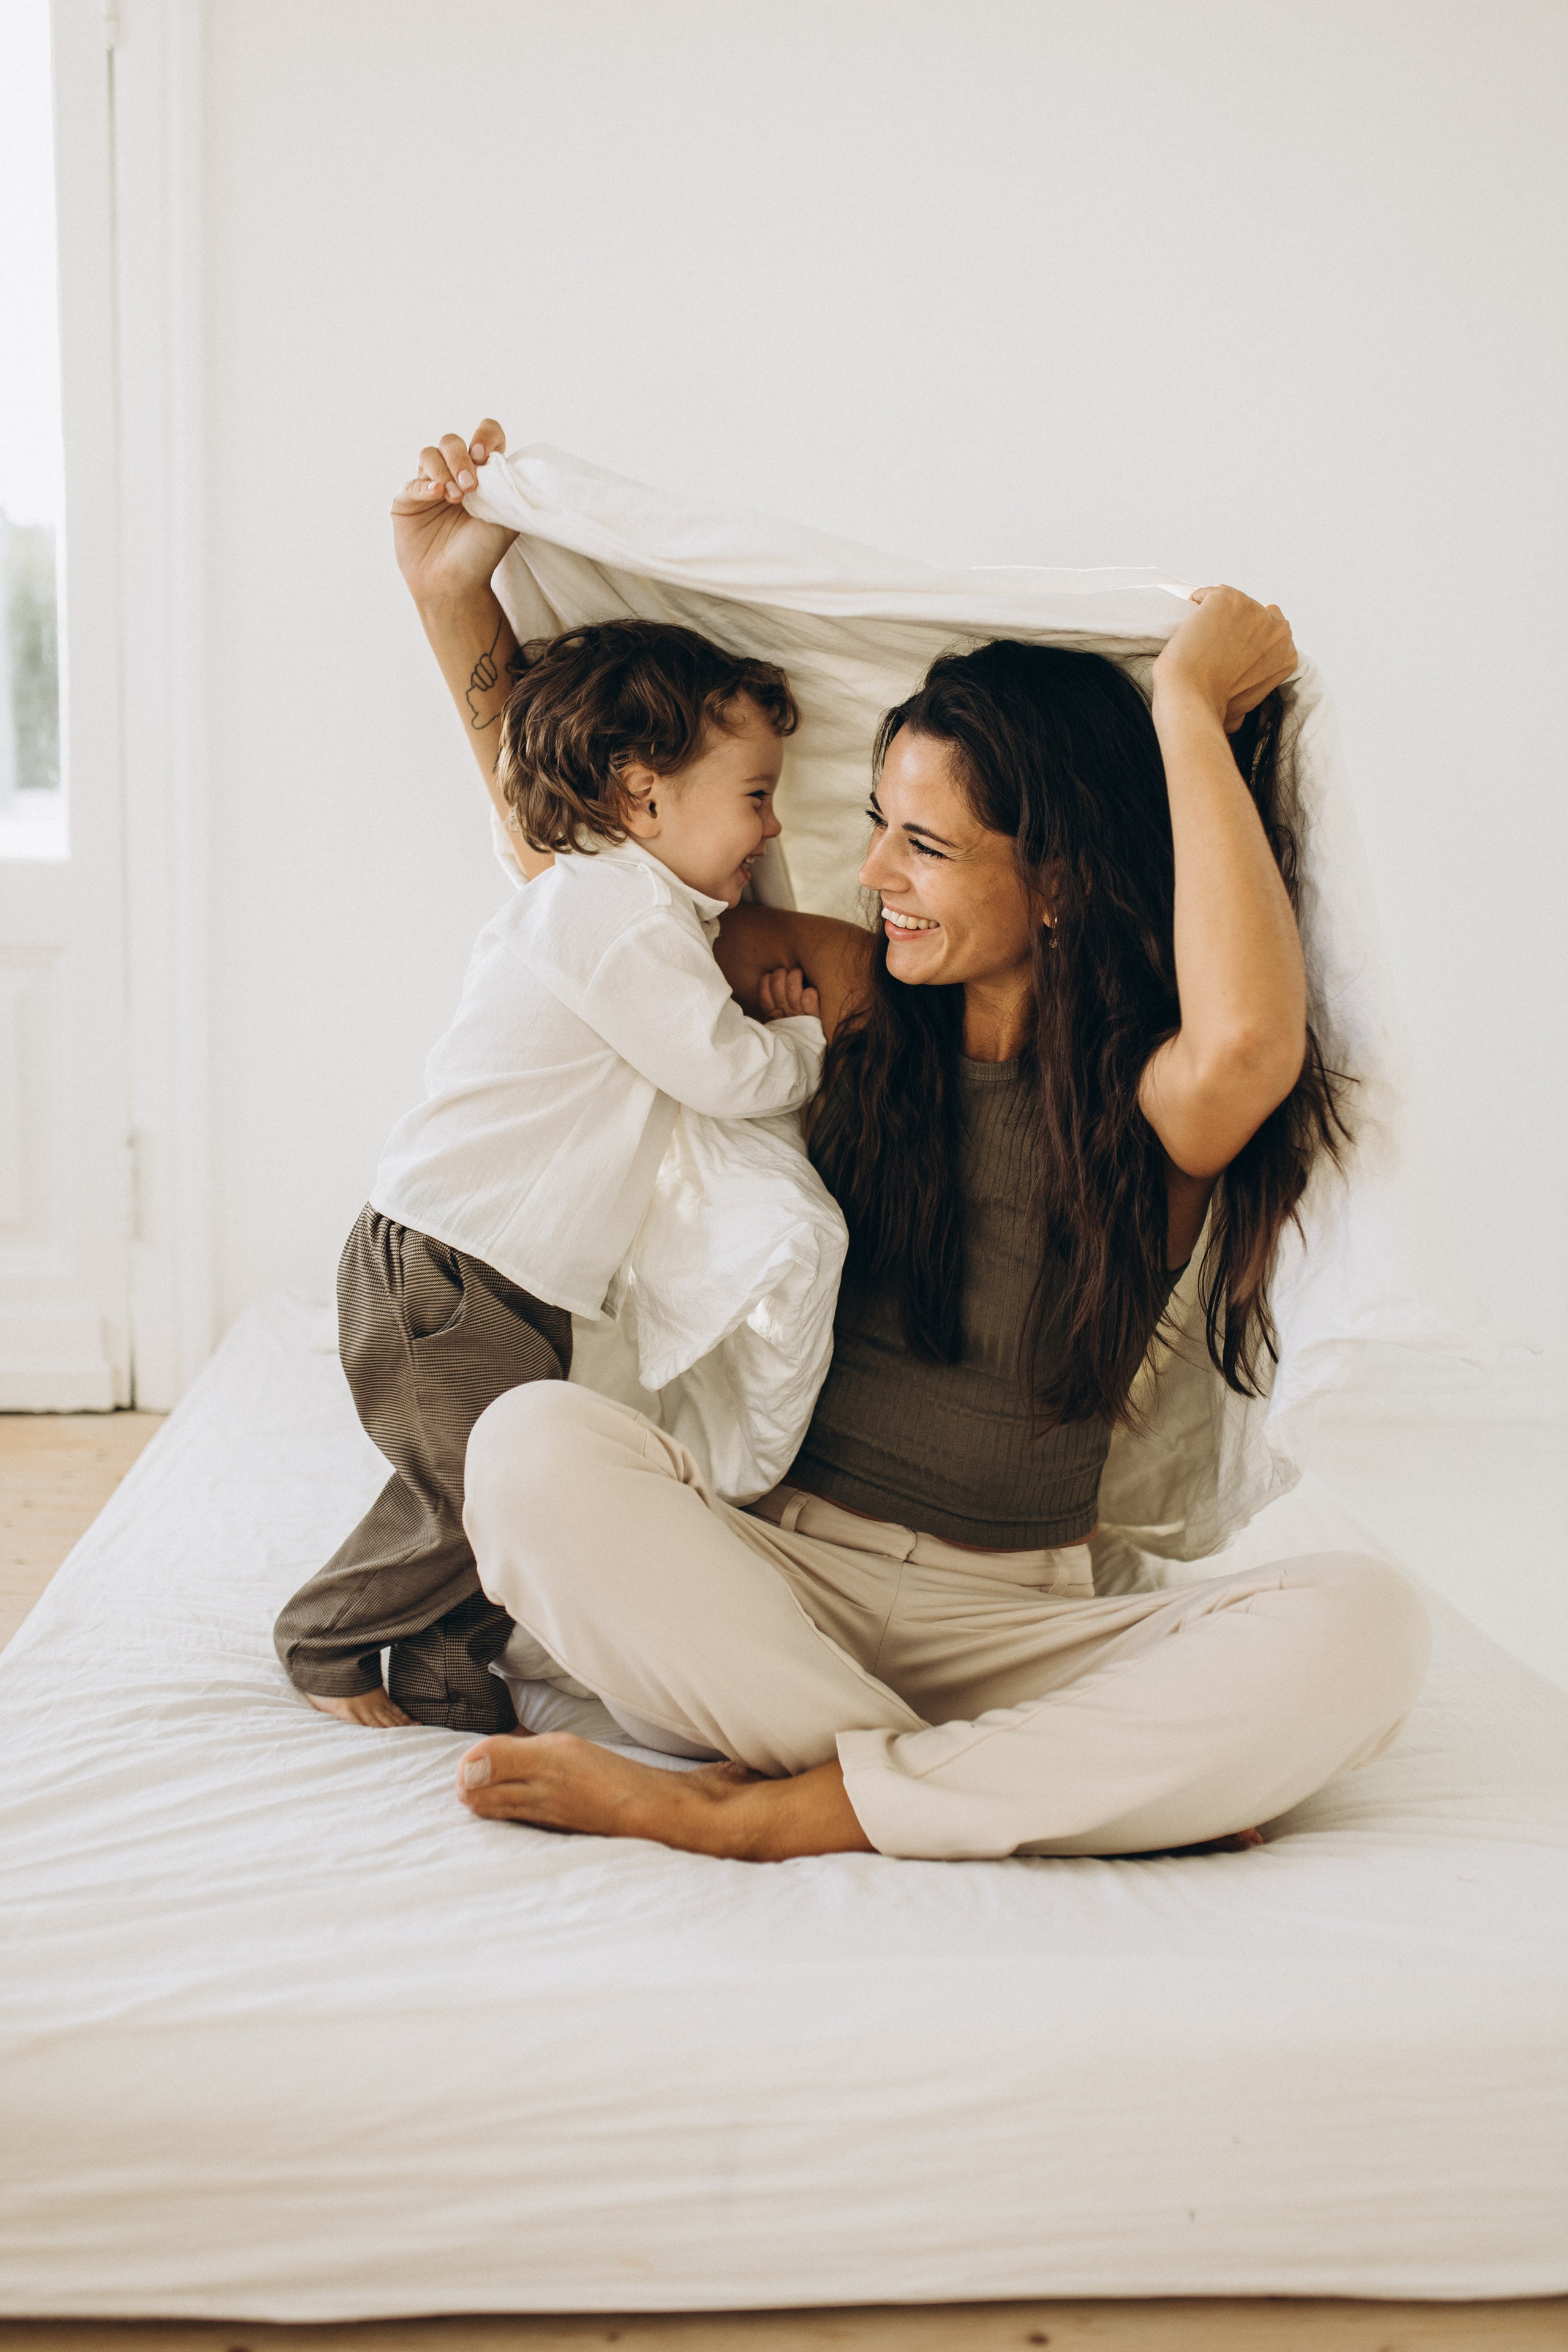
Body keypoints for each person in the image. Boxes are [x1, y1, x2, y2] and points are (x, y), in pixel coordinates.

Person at [401, 420, 1430, 1857]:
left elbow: (1253, 1041)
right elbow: (584, 881)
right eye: (879, 825)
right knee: (529, 1450)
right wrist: (453, 599)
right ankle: (983, 1790)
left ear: (1058, 881)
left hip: (1019, 1619)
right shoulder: (855, 1002)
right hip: (776, 1580)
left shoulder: (1156, 1096)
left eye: (923, 848)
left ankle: (774, 1807)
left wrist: (1184, 709)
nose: (870, 871)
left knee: (1362, 1627)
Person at [273, 610, 826, 1732]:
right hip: (444, 1265)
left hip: (511, 1280)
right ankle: (324, 1635)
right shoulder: (613, 913)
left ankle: (442, 1665)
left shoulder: (639, 910)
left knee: (498, 1482)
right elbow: (721, 1073)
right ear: (643, 794)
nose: (771, 829)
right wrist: (806, 1042)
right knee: (478, 1493)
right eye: (757, 795)